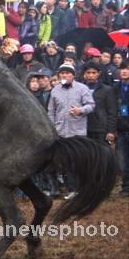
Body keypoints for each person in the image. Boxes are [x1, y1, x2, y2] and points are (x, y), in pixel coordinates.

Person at [48, 63, 95, 199]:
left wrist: (80, 110)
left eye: (67, 73)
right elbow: (51, 111)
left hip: (77, 132)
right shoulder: (55, 90)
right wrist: (53, 128)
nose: (64, 75)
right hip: (61, 132)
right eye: (62, 73)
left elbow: (91, 105)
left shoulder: (82, 88)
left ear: (73, 75)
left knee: (80, 162)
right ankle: (71, 190)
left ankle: (84, 189)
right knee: (65, 163)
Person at [81, 62, 116, 144]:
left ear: (99, 74)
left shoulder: (107, 90)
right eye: (88, 73)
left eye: (94, 73)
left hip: (100, 129)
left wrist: (111, 131)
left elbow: (112, 112)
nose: (91, 75)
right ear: (84, 74)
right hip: (83, 128)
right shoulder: (79, 89)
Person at [114, 61, 129, 197]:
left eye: (127, 69)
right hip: (121, 129)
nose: (124, 71)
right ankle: (126, 187)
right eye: (122, 69)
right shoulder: (115, 88)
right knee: (123, 160)